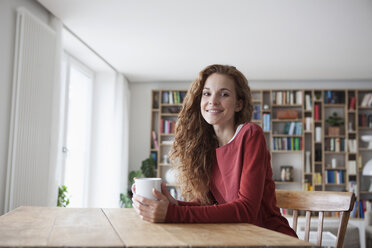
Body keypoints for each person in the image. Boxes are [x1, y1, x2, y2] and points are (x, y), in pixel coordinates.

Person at [132, 64, 297, 237]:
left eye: (224, 94)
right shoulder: (207, 148)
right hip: (237, 238)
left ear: (238, 104)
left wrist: (172, 213)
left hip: (271, 237)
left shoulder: (250, 134)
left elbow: (246, 210)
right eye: (207, 93)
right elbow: (210, 205)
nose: (213, 101)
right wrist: (174, 204)